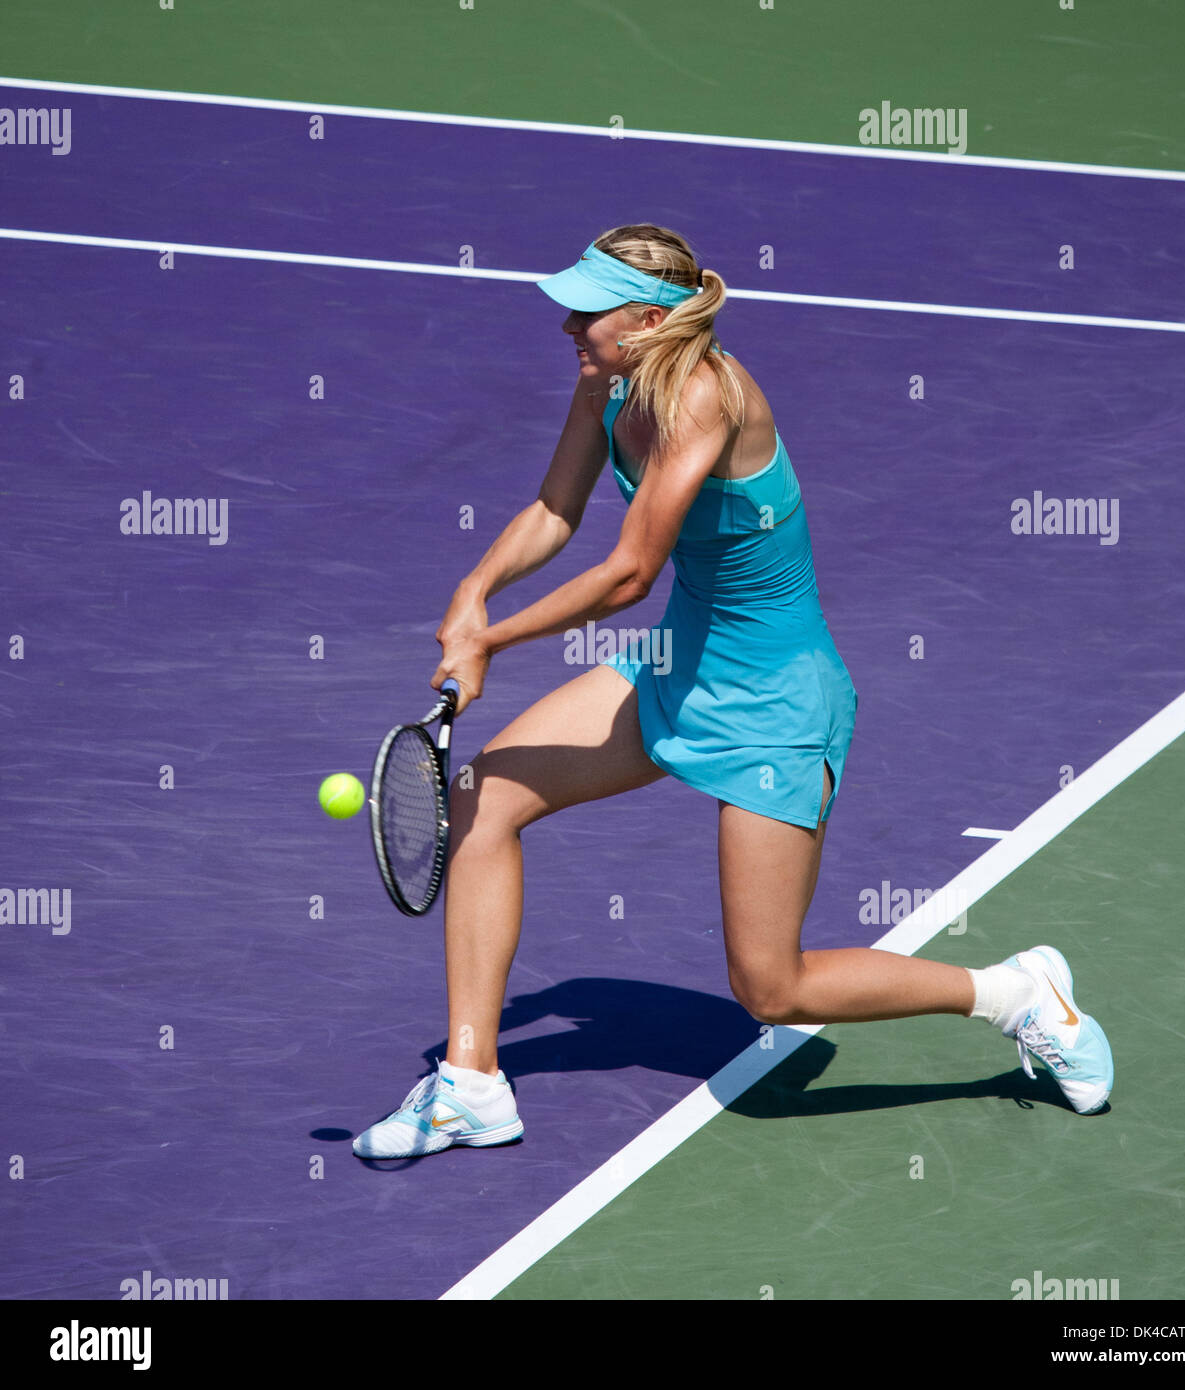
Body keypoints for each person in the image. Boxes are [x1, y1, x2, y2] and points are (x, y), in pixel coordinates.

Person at [353, 224, 1113, 1159]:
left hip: (775, 703)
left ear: (645, 319)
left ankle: (1015, 993)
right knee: (481, 800)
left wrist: (493, 644)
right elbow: (557, 510)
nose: (567, 323)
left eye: (587, 309)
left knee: (773, 988)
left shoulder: (708, 396)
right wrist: (472, 598)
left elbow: (631, 572)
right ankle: (471, 1084)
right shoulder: (606, 380)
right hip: (679, 662)